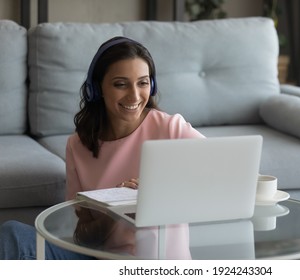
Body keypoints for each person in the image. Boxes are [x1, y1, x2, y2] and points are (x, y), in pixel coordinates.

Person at [0, 36, 204, 260]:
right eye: (120, 84)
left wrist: (160, 186)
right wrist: (114, 209)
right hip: (102, 262)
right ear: (97, 89)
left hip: (159, 265)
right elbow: (84, 237)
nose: (134, 96)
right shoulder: (78, 145)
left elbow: (224, 170)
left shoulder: (170, 128)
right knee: (13, 236)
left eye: (143, 82)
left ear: (152, 85)